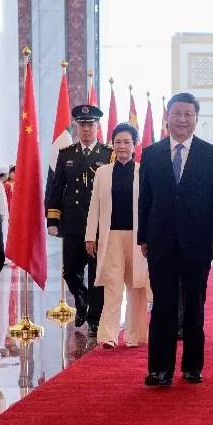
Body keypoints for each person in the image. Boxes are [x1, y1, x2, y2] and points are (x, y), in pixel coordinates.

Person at [138, 92, 213, 387]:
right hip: (160, 242)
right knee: (162, 307)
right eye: (177, 113)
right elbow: (145, 200)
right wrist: (143, 237)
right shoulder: (151, 154)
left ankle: (192, 366)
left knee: (194, 306)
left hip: (198, 242)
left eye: (188, 114)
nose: (182, 119)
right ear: (167, 116)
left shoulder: (211, 155)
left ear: (196, 118)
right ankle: (159, 370)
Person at [46, 104, 112, 337]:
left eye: (90, 124)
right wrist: (53, 220)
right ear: (76, 126)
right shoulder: (66, 155)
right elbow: (56, 188)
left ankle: (94, 319)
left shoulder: (108, 154)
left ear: (97, 126)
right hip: (73, 224)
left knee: (97, 274)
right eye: (82, 125)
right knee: (70, 271)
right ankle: (81, 298)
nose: (86, 129)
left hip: (99, 225)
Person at [86, 123, 151, 349]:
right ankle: (108, 336)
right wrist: (90, 236)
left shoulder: (143, 171)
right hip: (110, 236)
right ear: (112, 144)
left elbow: (150, 206)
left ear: (135, 145)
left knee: (136, 286)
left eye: (126, 142)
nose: (122, 146)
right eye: (118, 142)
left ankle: (134, 335)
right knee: (113, 286)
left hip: (138, 238)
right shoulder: (102, 173)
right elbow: (94, 206)